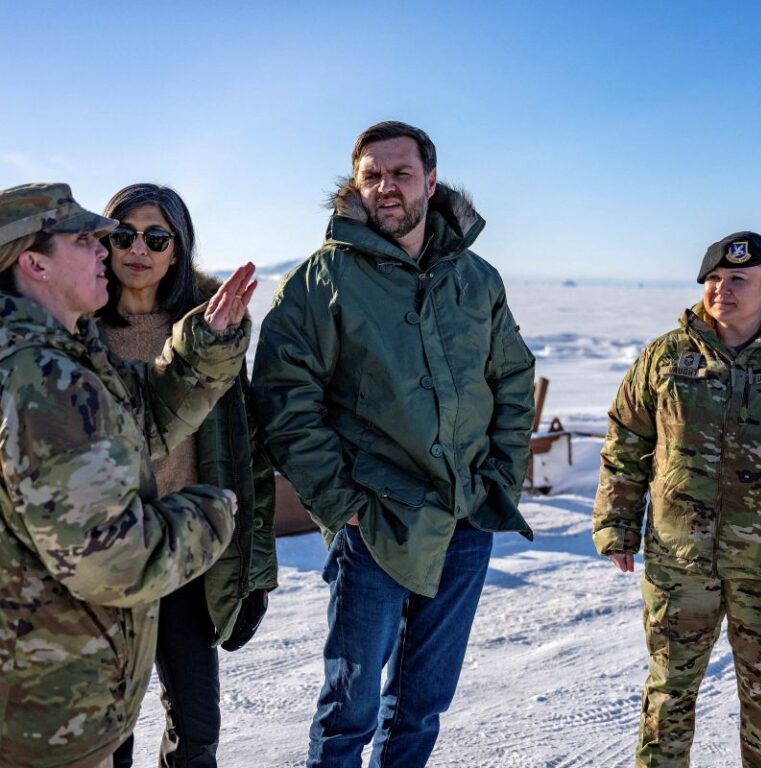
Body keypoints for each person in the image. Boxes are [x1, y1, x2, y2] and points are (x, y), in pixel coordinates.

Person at [253, 120, 536, 767]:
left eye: (401, 173)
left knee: (423, 704)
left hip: (465, 517)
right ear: (355, 185)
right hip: (377, 523)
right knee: (348, 713)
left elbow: (512, 379)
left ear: (430, 183)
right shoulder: (322, 280)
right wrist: (341, 502)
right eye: (372, 175)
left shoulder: (476, 279)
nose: (386, 186)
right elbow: (284, 400)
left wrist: (499, 476)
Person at [0, 182, 256, 768]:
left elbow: (147, 417)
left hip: (68, 666)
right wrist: (208, 515)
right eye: (88, 239)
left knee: (193, 724)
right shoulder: (42, 378)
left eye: (154, 238)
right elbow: (109, 560)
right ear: (35, 264)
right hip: (47, 699)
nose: (107, 250)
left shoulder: (68, 352)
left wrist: (206, 345)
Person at [100, 183, 277, 768]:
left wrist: (255, 567)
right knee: (107, 735)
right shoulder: (78, 330)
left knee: (197, 730)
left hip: (185, 550)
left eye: (156, 238)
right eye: (124, 235)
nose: (138, 250)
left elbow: (247, 453)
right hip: (105, 557)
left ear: (177, 248)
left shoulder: (209, 332)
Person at [593, 231, 761, 767]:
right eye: (713, 279)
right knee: (668, 694)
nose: (722, 289)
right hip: (679, 561)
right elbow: (627, 438)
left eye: (737, 279)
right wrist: (616, 523)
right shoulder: (667, 356)